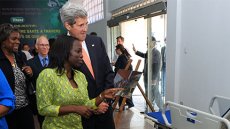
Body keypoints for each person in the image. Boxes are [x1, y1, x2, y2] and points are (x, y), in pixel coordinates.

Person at [36, 35, 121, 129]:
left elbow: (85, 104)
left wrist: (102, 95)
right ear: (65, 52)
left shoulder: (80, 76)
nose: (82, 55)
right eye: (78, 51)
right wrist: (74, 109)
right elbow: (43, 109)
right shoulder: (47, 75)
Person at [60, 2, 116, 129]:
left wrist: (105, 101)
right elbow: (64, 86)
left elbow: (108, 72)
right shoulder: (61, 47)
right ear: (67, 25)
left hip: (105, 112)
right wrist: (92, 105)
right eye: (80, 25)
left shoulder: (97, 42)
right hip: (82, 116)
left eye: (86, 23)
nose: (85, 28)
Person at [0, 23, 35, 129]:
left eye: (19, 39)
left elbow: (27, 80)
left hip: (25, 108)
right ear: (3, 40)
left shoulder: (21, 56)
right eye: (14, 38)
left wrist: (30, 73)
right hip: (7, 112)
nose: (18, 42)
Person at [133, 36, 163, 112]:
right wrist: (136, 51)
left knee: (155, 93)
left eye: (148, 42)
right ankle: (148, 109)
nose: (146, 43)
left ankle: (162, 109)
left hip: (152, 78)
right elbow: (145, 56)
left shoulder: (156, 53)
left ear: (153, 43)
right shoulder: (149, 51)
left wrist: (153, 79)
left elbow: (156, 66)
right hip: (147, 77)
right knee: (147, 93)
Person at [27, 35, 50, 127]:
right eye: (42, 45)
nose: (45, 47)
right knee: (43, 124)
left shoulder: (56, 61)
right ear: (36, 46)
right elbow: (29, 82)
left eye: (47, 45)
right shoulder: (30, 63)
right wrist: (30, 75)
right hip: (40, 102)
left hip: (56, 100)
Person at [114, 44, 134, 109]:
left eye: (116, 49)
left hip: (122, 76)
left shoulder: (122, 57)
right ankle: (123, 106)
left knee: (121, 93)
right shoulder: (124, 56)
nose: (115, 51)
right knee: (123, 93)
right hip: (123, 76)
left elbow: (121, 67)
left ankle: (121, 107)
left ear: (119, 50)